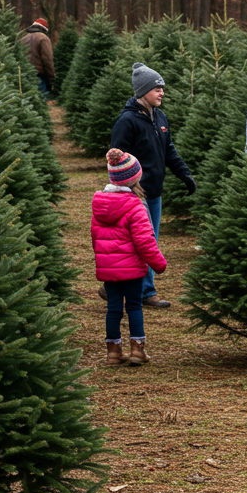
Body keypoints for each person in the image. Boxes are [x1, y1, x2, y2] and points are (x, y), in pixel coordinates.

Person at [105, 62, 196, 308]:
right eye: (157, 88)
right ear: (143, 90)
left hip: (154, 193)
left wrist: (185, 175)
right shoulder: (127, 121)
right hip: (135, 193)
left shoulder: (160, 117)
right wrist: (126, 187)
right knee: (141, 241)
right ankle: (146, 292)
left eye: (162, 88)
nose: (161, 92)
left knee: (149, 240)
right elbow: (116, 156)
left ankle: (114, 285)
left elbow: (169, 150)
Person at [92, 149, 168, 366]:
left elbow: (95, 237)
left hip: (109, 268)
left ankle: (113, 353)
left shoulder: (100, 203)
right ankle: (137, 351)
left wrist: (103, 260)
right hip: (133, 269)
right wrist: (159, 264)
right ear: (135, 178)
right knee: (134, 306)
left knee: (113, 308)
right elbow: (145, 242)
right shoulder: (135, 205)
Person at [20, 17, 54, 99]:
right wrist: (51, 77)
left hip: (25, 73)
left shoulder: (23, 38)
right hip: (39, 74)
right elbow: (47, 59)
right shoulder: (43, 38)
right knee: (41, 100)